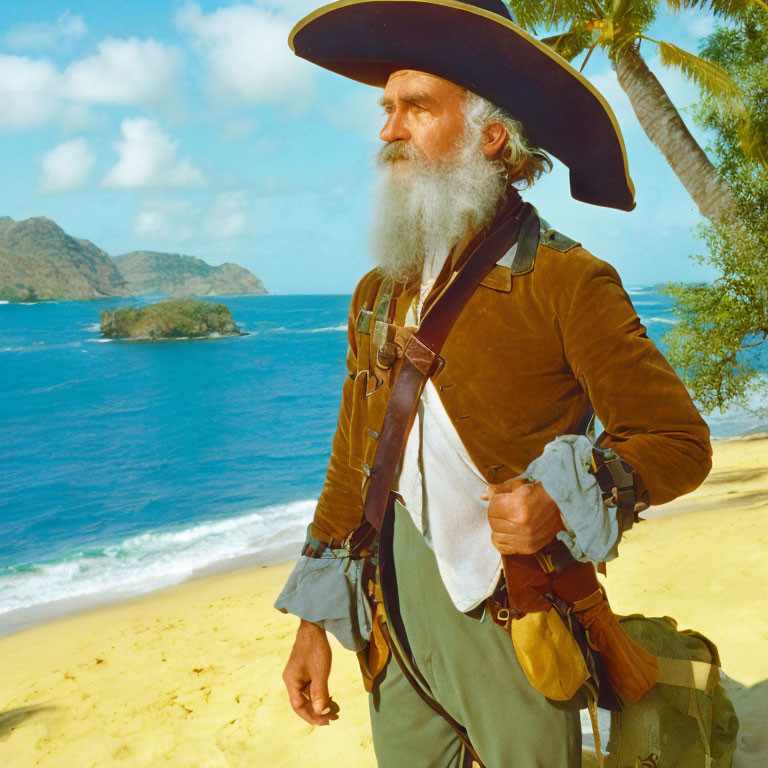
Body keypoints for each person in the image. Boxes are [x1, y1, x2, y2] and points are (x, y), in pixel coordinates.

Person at [274, 1, 712, 765]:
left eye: (416, 107)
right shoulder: (377, 293)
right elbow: (352, 463)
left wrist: (563, 494)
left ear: (491, 134)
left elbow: (677, 443)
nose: (388, 131)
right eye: (387, 108)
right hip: (389, 614)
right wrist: (314, 622)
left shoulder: (568, 281)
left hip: (516, 611)